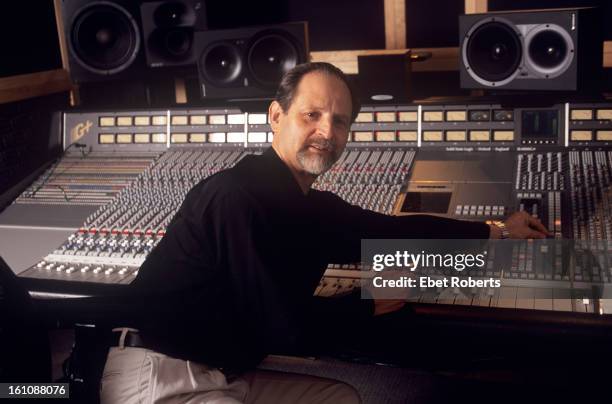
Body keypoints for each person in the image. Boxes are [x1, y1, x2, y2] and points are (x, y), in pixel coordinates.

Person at [99, 62, 550, 404]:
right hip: (160, 375)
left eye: (339, 121)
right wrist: (368, 303)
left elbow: (389, 230)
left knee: (341, 399)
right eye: (311, 114)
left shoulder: (307, 205)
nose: (325, 132)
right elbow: (283, 329)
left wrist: (494, 232)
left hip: (223, 369)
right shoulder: (237, 197)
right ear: (276, 116)